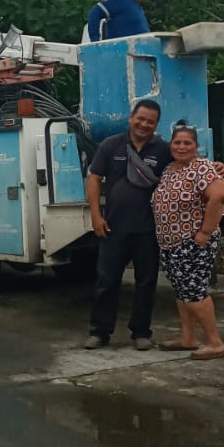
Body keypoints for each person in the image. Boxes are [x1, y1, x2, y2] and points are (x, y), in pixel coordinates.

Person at [85, 99, 169, 351]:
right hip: (113, 227)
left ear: (156, 124)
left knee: (146, 283)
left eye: (150, 122)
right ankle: (99, 332)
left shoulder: (163, 149)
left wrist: (217, 168)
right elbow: (94, 179)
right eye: (140, 119)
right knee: (106, 281)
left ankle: (141, 332)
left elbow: (187, 164)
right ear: (131, 118)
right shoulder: (111, 145)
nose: (144, 124)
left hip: (148, 230)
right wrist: (96, 216)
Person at [151, 123, 224, 360]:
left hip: (193, 243)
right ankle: (188, 338)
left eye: (187, 143)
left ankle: (215, 343)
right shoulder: (169, 170)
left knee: (194, 291)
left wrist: (204, 233)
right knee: (182, 291)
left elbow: (219, 196)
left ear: (196, 146)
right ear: (171, 145)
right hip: (170, 244)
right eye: (177, 142)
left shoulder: (202, 167)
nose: (182, 147)